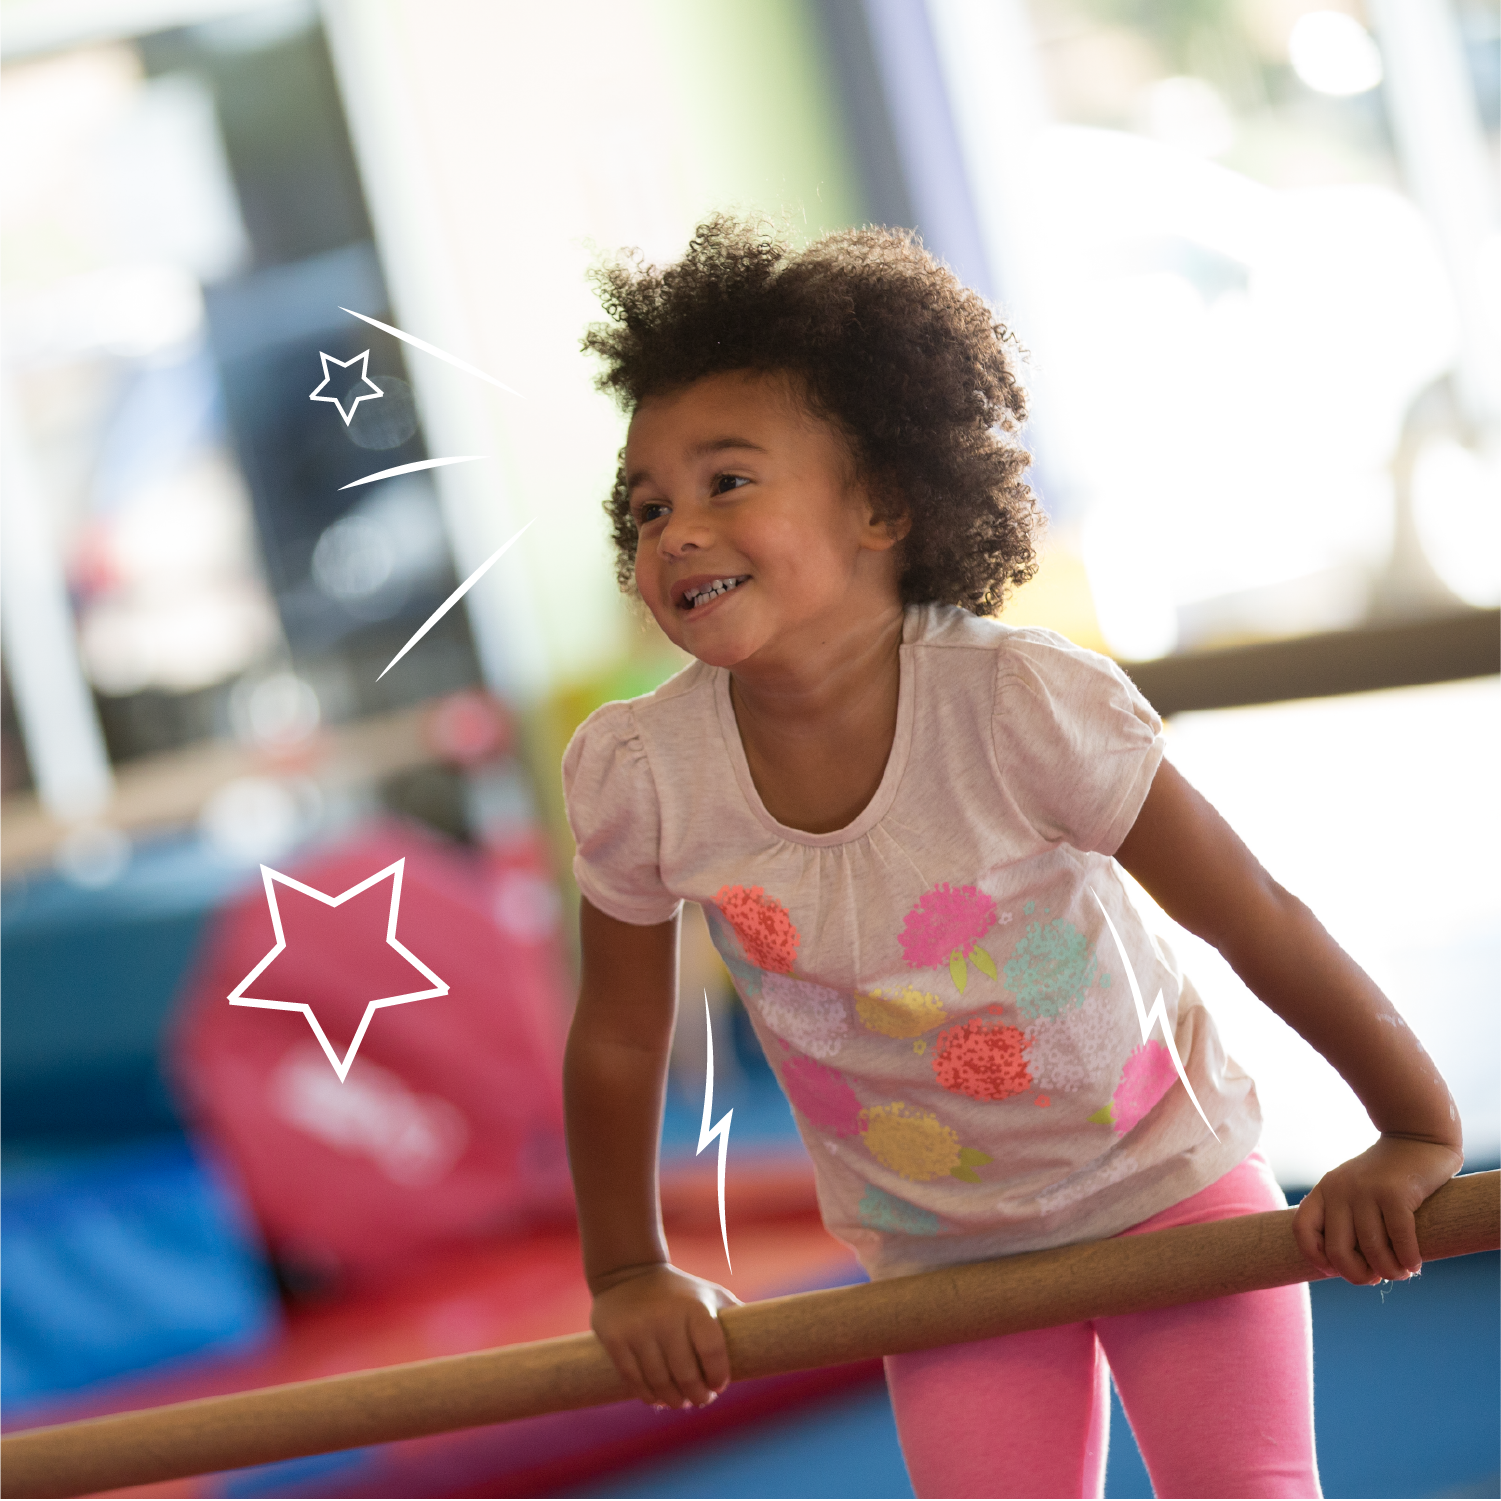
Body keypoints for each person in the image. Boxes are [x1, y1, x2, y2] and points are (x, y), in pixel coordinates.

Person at [560, 216, 1463, 1499]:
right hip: (936, 1259)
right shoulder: (647, 776)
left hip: (1166, 1185)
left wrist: (1415, 1126)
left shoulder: (1017, 706)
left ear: (881, 503)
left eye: (726, 482)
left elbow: (1252, 915)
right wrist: (627, 1269)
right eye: (647, 505)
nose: (676, 530)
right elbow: (615, 1036)